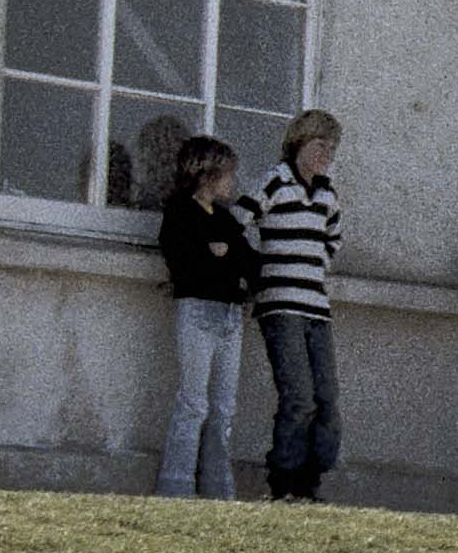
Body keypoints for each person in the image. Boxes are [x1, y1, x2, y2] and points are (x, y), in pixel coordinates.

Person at [142, 125, 257, 501]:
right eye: (226, 173)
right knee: (193, 402)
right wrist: (217, 257)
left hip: (229, 316)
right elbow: (182, 261)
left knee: (224, 407)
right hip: (198, 312)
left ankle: (217, 489)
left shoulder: (224, 218)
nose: (231, 182)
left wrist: (226, 257)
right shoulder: (180, 211)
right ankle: (176, 486)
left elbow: (248, 262)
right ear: (206, 173)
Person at [247, 110, 346, 502]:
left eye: (332, 148)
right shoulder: (275, 182)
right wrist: (262, 270)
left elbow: (333, 240)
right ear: (299, 142)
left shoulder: (326, 194)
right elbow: (243, 221)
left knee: (327, 398)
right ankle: (283, 478)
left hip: (316, 307)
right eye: (320, 145)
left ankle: (312, 478)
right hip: (281, 304)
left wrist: (314, 263)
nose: (326, 155)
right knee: (298, 396)